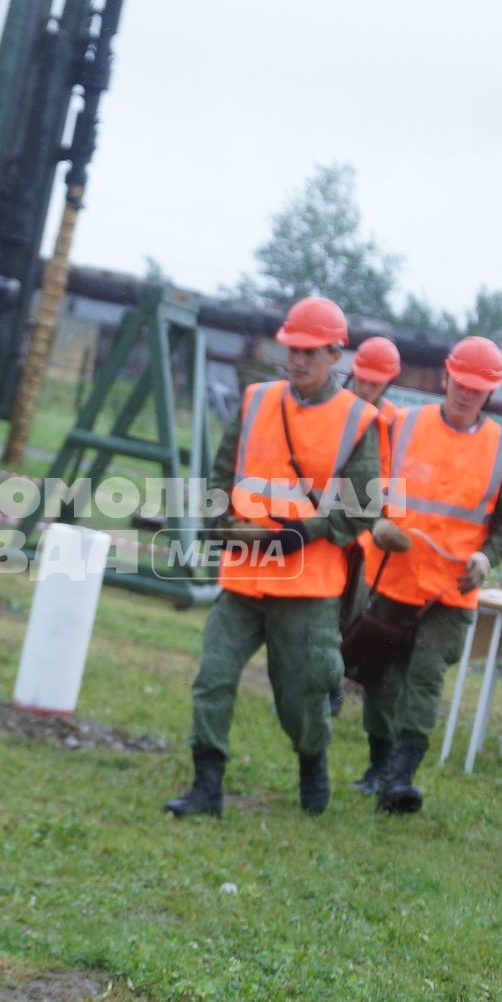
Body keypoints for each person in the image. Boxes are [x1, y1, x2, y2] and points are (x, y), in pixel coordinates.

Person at [164, 297, 382, 818]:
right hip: (242, 577)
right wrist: (220, 520)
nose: (299, 359)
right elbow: (223, 473)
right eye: (292, 348)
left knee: (300, 700)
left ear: (335, 354)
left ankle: (312, 758)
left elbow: (365, 509)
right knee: (213, 676)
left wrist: (303, 533)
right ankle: (206, 787)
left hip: (306, 589)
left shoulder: (359, 420)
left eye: (310, 351)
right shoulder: (257, 400)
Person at [353, 336, 502, 812]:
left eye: (477, 388)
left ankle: (401, 778)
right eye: (461, 383)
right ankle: (379, 765)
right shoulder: (403, 425)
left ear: (490, 392)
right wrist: (376, 521)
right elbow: (364, 488)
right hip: (394, 576)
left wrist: (488, 557)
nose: (466, 394)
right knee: (380, 676)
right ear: (446, 376)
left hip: (451, 592)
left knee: (425, 673)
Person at [328, 335, 402, 731]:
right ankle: (317, 686)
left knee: (347, 618)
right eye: (362, 378)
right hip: (320, 525)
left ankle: (333, 686)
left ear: (389, 382)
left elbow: (391, 479)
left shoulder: (391, 424)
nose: (365, 387)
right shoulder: (331, 409)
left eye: (375, 382)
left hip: (364, 538)